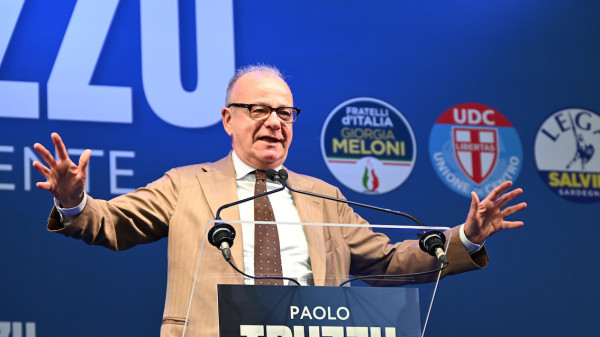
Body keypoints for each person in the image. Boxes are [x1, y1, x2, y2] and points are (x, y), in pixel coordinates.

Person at [32, 65, 527, 337]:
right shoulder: (189, 184)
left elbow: (389, 261)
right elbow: (111, 222)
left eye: (285, 112)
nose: (275, 121)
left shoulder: (323, 197)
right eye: (260, 110)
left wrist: (465, 238)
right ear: (228, 119)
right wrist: (75, 201)